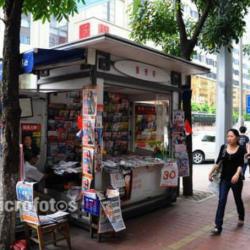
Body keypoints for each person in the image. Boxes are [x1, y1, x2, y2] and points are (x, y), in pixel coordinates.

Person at [208, 129, 246, 235]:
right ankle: (218, 226)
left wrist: (237, 174)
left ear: (237, 137)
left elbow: (241, 164)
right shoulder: (223, 148)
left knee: (237, 199)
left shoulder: (241, 149)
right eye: (228, 136)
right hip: (224, 179)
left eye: (232, 136)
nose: (229, 138)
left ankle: (241, 215)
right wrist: (210, 172)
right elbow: (218, 161)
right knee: (222, 200)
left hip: (236, 180)